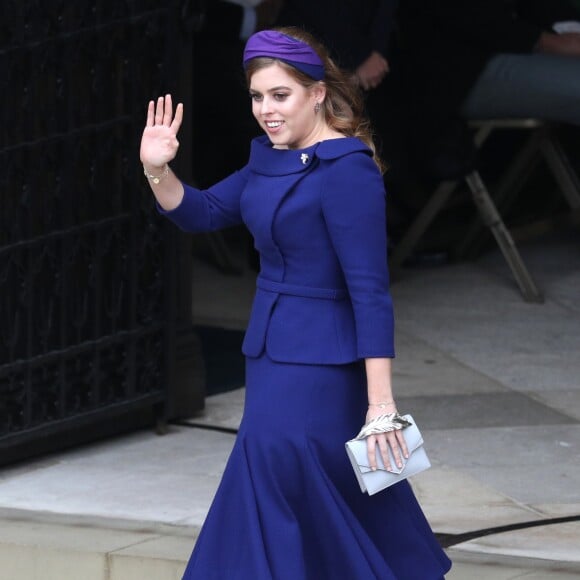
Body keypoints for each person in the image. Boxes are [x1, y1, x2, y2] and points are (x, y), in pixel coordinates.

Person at [140, 27, 451, 579]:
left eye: (280, 95)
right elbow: (204, 212)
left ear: (317, 92)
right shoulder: (268, 157)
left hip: (323, 366)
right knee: (304, 490)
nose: (266, 110)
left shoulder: (347, 169)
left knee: (288, 482)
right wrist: (157, 168)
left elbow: (371, 294)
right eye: (257, 97)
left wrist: (381, 406)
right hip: (271, 352)